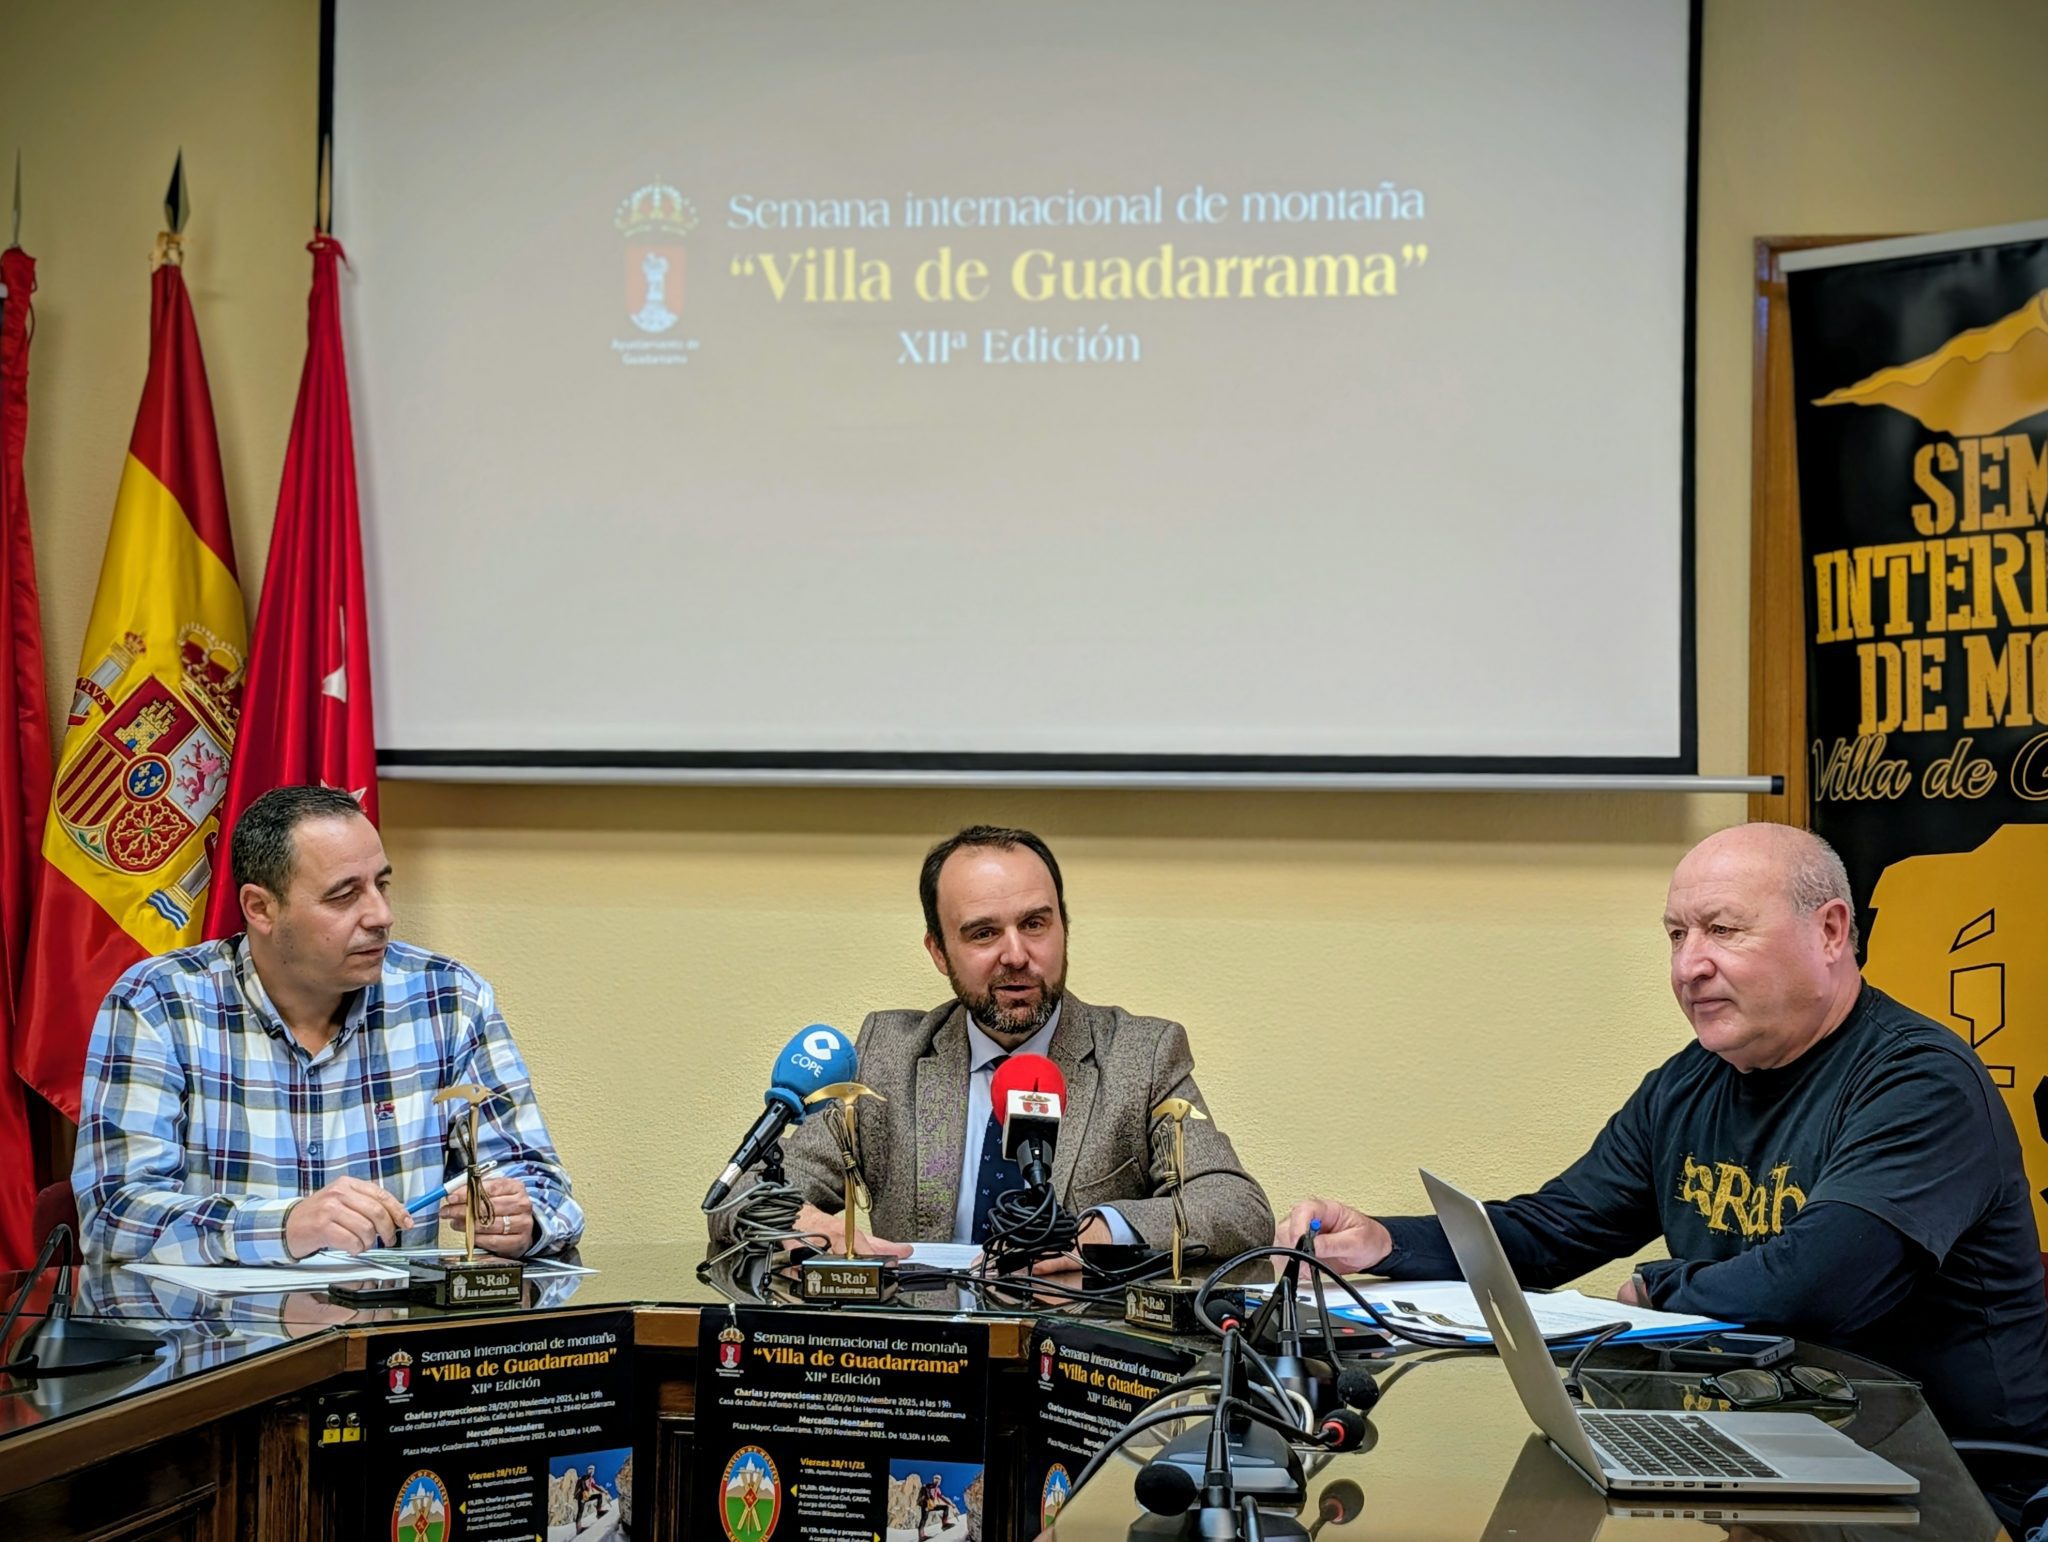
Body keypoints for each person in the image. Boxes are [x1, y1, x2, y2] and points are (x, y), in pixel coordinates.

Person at [1278, 823, 2048, 1454]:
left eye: (1722, 931)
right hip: (1766, 1433)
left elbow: (1820, 1289)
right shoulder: (1691, 1081)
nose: (1689, 966)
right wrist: (1384, 1242)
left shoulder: (1921, 1081)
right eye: (1676, 935)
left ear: (1832, 931)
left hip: (1943, 1467)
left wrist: (1661, 1289)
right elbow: (1554, 1230)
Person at [712, 824, 1271, 1261]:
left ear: (1063, 928)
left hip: (1078, 1364)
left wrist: (1107, 1230)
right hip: (926, 1362)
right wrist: (804, 1224)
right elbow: (741, 1197)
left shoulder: (1140, 1056)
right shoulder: (888, 1055)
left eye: (1035, 924)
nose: (1016, 955)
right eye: (983, 933)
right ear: (938, 952)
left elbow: (1237, 1207)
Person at [75, 785, 583, 1265]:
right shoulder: (161, 1003)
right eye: (344, 896)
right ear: (260, 908)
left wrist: (525, 1220)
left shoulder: (448, 999)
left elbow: (543, 1186)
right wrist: (285, 1226)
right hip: (226, 1345)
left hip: (394, 1340)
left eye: (381, 885)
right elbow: (113, 1216)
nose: (380, 915)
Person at [917, 1473, 952, 1538]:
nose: (937, 1481)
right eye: (936, 1479)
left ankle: (945, 1524)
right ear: (933, 1480)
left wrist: (950, 1504)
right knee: (924, 1518)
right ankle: (921, 1536)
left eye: (939, 1479)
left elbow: (941, 1497)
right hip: (926, 1504)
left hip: (932, 1505)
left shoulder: (937, 1489)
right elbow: (925, 1493)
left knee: (946, 1507)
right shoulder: (927, 1486)